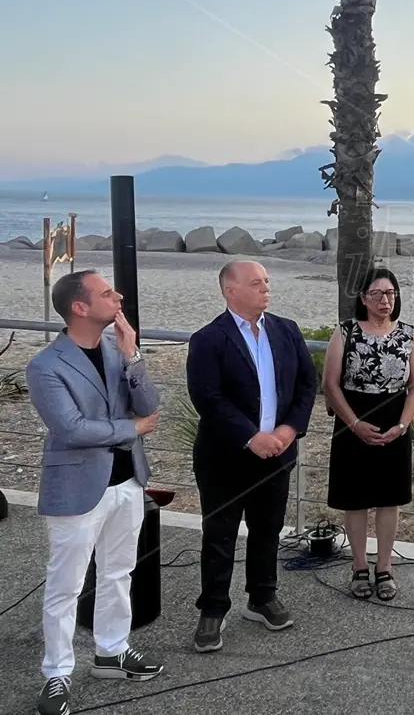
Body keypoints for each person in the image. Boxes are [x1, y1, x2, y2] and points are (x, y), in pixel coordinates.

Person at [26, 270, 164, 715]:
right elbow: (71, 429)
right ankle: (57, 674)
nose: (118, 296)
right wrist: (132, 429)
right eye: (107, 292)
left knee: (119, 572)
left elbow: (149, 406)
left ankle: (112, 649)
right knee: (66, 586)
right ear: (79, 307)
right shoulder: (45, 365)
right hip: (77, 487)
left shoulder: (113, 350)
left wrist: (133, 354)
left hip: (127, 480)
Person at [186, 260, 317, 652]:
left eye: (267, 282)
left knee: (268, 528)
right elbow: (207, 398)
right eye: (256, 283)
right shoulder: (209, 339)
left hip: (278, 452)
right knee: (220, 533)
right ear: (231, 290)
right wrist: (250, 437)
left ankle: (262, 597)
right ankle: (213, 609)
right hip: (225, 455)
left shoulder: (286, 330)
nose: (266, 289)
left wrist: (288, 430)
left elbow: (306, 384)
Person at [323, 267, 414, 601]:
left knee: (388, 499)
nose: (385, 300)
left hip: (394, 423)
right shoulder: (346, 332)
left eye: (391, 293)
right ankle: (358, 568)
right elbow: (330, 385)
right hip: (354, 420)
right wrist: (353, 424)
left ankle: (384, 568)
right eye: (378, 293)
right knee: (355, 499)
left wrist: (403, 425)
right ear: (364, 298)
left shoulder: (409, 334)